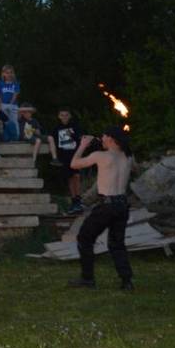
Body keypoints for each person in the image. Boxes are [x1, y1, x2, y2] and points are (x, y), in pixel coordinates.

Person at [67, 127, 135, 291]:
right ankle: (127, 281)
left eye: (103, 136)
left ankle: (87, 279)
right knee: (117, 244)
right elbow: (133, 169)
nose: (101, 139)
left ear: (111, 138)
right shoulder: (129, 156)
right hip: (122, 205)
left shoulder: (101, 156)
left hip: (107, 205)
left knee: (84, 238)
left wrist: (82, 145)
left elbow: (74, 164)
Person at [48, 108, 84, 214]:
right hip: (64, 156)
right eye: (62, 115)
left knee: (77, 176)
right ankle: (74, 200)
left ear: (70, 116)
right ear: (59, 116)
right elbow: (52, 140)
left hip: (74, 154)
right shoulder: (56, 128)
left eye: (66, 115)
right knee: (70, 178)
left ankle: (79, 198)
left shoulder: (75, 126)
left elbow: (80, 139)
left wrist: (73, 135)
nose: (64, 117)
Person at [0, 65, 21, 142]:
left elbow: (15, 94)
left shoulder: (15, 83)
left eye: (11, 72)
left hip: (13, 105)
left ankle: (16, 137)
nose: (9, 74)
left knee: (14, 121)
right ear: (3, 74)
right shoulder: (0, 83)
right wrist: (1, 104)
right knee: (5, 122)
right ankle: (6, 137)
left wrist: (10, 104)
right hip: (3, 104)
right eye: (7, 73)